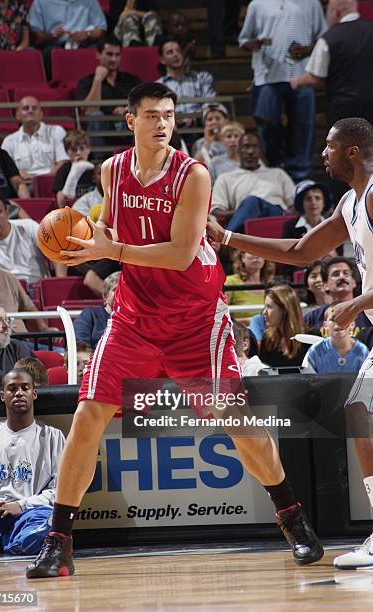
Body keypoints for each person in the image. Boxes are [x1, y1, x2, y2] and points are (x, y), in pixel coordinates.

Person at [26, 81, 323, 579]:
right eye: (151, 115)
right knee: (88, 417)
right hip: (134, 318)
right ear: (130, 120)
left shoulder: (194, 175)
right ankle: (59, 541)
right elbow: (118, 237)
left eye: (168, 115)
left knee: (240, 427)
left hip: (194, 319)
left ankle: (292, 517)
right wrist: (89, 240)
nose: (162, 123)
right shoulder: (112, 171)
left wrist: (110, 252)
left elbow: (180, 253)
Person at [206, 116, 373, 569]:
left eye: (330, 146)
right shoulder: (350, 202)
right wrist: (229, 237)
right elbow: (301, 252)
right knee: (360, 413)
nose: (323, 153)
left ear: (353, 151)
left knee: (362, 413)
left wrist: (356, 304)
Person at [0, 369, 64, 555]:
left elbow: (60, 491)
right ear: (2, 396)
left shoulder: (52, 436)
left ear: (34, 393)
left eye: (25, 388)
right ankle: (13, 543)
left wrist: (21, 505)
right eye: (12, 388)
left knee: (43, 526)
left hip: (30, 514)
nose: (19, 393)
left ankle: (21, 541)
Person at [238, 0, 326, 181]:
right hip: (267, 76)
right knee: (267, 121)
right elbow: (243, 39)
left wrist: (309, 48)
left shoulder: (311, 3)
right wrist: (255, 44)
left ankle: (301, 176)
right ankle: (274, 168)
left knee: (303, 127)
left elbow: (323, 38)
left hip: (302, 75)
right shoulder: (257, 4)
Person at [291, 0, 373, 127]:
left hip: (343, 109)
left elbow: (314, 78)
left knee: (344, 145)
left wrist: (298, 81)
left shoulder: (329, 38)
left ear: (336, 12)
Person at [211, 131, 295, 230]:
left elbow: (295, 205)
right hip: (246, 227)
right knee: (251, 203)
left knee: (253, 202)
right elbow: (216, 212)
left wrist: (249, 208)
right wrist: (245, 210)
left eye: (255, 147)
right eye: (246, 147)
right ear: (238, 150)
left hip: (277, 220)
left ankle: (227, 241)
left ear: (261, 151)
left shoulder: (278, 174)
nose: (250, 151)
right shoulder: (225, 178)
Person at [0, 232, 55, 334]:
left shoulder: (7, 278)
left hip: (20, 341)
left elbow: (28, 308)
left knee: (60, 350)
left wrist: (43, 328)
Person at [76, 35, 140, 153]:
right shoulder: (87, 82)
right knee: (96, 116)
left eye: (117, 55)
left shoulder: (132, 80)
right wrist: (98, 80)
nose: (113, 59)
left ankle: (139, 162)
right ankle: (99, 164)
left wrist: (127, 109)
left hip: (127, 125)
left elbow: (143, 105)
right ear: (98, 55)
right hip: (102, 128)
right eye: (109, 54)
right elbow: (89, 111)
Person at [0, 193, 52, 285]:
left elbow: (56, 250)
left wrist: (60, 282)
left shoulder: (28, 226)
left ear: (7, 213)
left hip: (35, 286)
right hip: (4, 292)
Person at [28, 0, 107, 80]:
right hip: (55, 44)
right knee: (50, 52)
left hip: (83, 43)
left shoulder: (90, 1)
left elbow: (101, 30)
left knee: (95, 51)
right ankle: (54, 87)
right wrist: (51, 36)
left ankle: (93, 86)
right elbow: (36, 36)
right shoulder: (40, 2)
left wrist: (87, 34)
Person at [1, 97, 69, 186]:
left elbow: (64, 162)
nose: (30, 111)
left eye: (34, 108)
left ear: (41, 114)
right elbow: (5, 168)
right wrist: (19, 173)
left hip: (53, 181)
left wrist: (44, 180)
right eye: (26, 108)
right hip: (24, 184)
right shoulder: (9, 141)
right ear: (17, 115)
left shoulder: (56, 131)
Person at [156, 38, 216, 125]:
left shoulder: (202, 78)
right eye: (170, 52)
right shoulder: (158, 86)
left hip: (200, 126)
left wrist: (194, 117)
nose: (175, 54)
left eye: (178, 51)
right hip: (171, 129)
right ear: (162, 60)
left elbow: (210, 103)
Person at [304, 256, 371, 332]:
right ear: (325, 285)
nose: (342, 277)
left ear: (354, 282)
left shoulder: (368, 311)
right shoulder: (313, 317)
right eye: (336, 274)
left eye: (346, 273)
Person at [282, 179, 333, 278]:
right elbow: (288, 263)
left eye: (317, 198)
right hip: (301, 277)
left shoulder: (333, 225)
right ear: (301, 203)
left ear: (324, 202)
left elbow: (338, 258)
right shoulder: (290, 227)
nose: (313, 202)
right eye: (308, 199)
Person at [303, 305, 369, 373]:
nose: (338, 323)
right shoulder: (315, 351)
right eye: (333, 319)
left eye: (344, 318)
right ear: (325, 325)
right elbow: (306, 380)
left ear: (352, 324)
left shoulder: (362, 351)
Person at [260, 285, 308, 368]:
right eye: (265, 307)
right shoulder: (268, 339)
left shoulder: (308, 338)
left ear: (285, 309)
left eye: (269, 307)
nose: (264, 312)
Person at [73, 271, 120, 348]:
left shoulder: (133, 319)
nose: (120, 294)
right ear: (106, 296)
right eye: (116, 289)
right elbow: (80, 345)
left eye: (124, 291)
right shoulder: (90, 315)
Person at [225, 251, 275, 320]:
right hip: (240, 329)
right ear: (242, 257)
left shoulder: (272, 285)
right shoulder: (230, 282)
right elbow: (221, 314)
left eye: (260, 253)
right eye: (251, 251)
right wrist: (251, 321)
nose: (256, 256)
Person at [53, 130, 94, 209]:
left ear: (89, 149)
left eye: (82, 148)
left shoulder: (96, 170)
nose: (78, 153)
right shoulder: (63, 170)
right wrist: (74, 172)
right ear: (66, 152)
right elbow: (61, 204)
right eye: (73, 149)